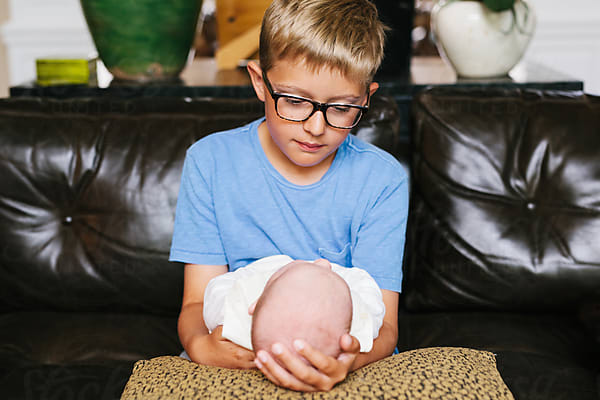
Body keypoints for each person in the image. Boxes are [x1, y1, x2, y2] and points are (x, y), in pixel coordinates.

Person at [170, 0, 409, 391]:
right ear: (260, 82)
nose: (316, 127)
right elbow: (196, 306)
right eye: (295, 101)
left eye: (342, 108)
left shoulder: (381, 180)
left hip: (347, 365)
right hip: (234, 360)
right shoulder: (210, 162)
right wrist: (201, 347)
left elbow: (384, 327)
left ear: (367, 96)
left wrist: (346, 363)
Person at [200, 255, 385, 359]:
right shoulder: (359, 324)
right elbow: (370, 295)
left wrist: (264, 276)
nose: (323, 263)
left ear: (255, 305)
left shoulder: (238, 319)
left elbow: (216, 289)